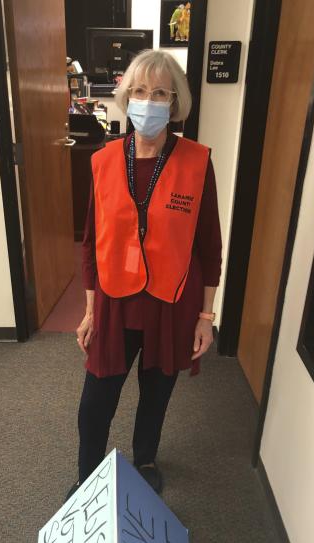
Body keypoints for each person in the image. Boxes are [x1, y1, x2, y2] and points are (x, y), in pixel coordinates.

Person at [66, 49, 222, 500]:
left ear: (173, 102)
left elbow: (209, 245)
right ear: (125, 96)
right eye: (138, 91)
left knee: (156, 394)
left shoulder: (196, 161)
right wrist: (91, 310)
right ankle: (87, 477)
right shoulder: (104, 159)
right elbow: (92, 243)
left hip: (173, 300)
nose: (147, 101)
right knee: (97, 400)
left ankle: (146, 457)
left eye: (158, 92)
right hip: (115, 299)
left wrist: (205, 316)